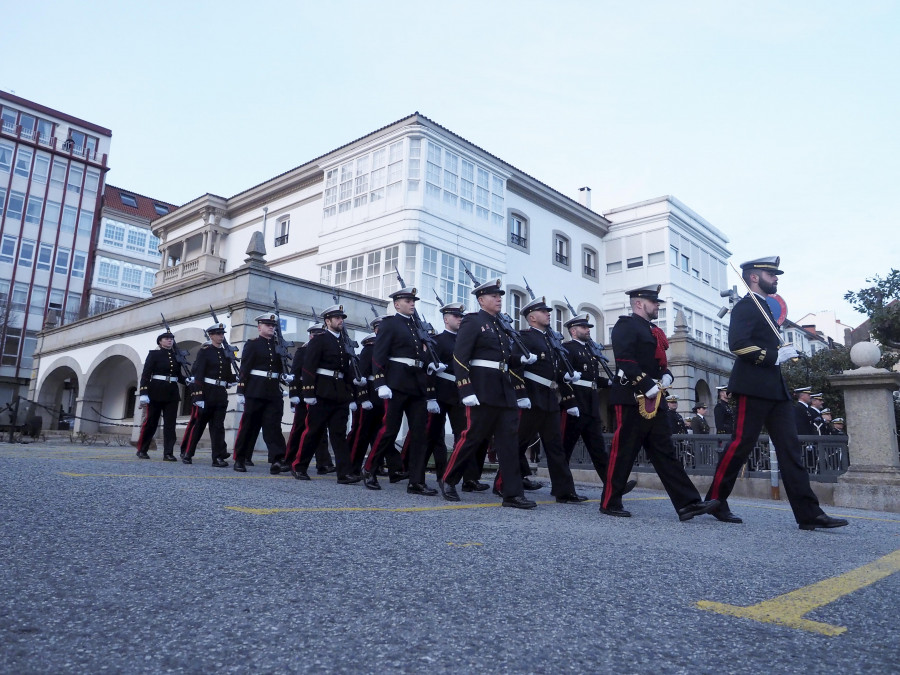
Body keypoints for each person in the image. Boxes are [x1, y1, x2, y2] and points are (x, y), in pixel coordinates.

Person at [704, 256, 847, 530]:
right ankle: (715, 499)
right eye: (771, 274)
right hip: (753, 386)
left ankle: (809, 513)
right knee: (741, 444)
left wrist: (779, 357)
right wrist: (774, 356)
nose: (776, 278)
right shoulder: (747, 307)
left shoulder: (765, 308)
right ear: (754, 277)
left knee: (790, 450)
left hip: (775, 390)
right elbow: (738, 345)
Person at [599, 285, 719, 521]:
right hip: (632, 397)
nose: (657, 306)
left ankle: (688, 503)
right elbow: (624, 360)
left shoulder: (653, 329)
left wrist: (667, 375)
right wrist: (646, 384)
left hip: (656, 397)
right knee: (623, 452)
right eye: (653, 303)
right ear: (639, 304)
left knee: (665, 452)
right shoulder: (626, 325)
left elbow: (659, 363)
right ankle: (609, 502)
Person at [442, 278, 537, 509]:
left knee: (509, 443)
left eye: (500, 296)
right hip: (482, 389)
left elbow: (502, 360)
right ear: (481, 299)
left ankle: (512, 494)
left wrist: (519, 360)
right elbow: (460, 356)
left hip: (504, 390)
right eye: (493, 296)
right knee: (471, 438)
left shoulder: (501, 325)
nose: (498, 299)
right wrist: (465, 388)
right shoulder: (473, 322)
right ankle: (448, 479)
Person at [501, 296, 583, 503]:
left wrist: (565, 377)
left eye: (548, 311)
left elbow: (552, 369)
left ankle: (564, 491)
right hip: (531, 396)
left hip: (548, 397)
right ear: (532, 317)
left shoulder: (550, 339)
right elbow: (514, 366)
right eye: (543, 311)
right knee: (518, 443)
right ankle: (502, 485)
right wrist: (520, 395)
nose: (548, 313)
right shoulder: (525, 337)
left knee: (555, 446)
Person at [364, 287, 444, 496]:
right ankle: (370, 469)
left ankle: (416, 481)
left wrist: (430, 365)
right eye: (408, 300)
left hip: (417, 385)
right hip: (396, 383)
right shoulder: (390, 324)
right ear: (397, 304)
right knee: (389, 430)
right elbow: (379, 355)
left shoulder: (417, 326)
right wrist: (380, 382)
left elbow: (419, 355)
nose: (412, 303)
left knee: (420, 435)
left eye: (413, 301)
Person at [290, 305, 366, 484]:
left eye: (342, 318)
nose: (341, 321)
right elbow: (308, 367)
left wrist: (354, 383)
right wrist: (308, 392)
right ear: (328, 321)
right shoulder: (320, 340)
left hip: (340, 393)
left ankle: (344, 473)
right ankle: (299, 466)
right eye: (337, 318)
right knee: (313, 431)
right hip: (321, 392)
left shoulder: (344, 342)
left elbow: (346, 369)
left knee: (339, 433)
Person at [562, 313, 637, 492]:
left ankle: (613, 485)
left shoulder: (590, 350)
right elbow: (563, 378)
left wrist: (611, 382)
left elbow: (593, 379)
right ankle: (563, 488)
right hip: (576, 403)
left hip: (591, 404)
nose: (588, 330)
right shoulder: (567, 348)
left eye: (588, 327)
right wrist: (569, 403)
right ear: (573, 330)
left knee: (598, 449)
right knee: (565, 449)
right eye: (584, 327)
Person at [429, 301, 490, 494]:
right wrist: (429, 396)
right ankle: (438, 475)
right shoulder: (437, 340)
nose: (460, 319)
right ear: (446, 319)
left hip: (461, 392)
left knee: (464, 436)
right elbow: (429, 370)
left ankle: (469, 479)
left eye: (461, 316)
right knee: (433, 437)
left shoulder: (469, 339)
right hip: (441, 392)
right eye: (456, 316)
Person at [232, 313, 290, 472]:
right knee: (249, 426)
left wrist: (285, 377)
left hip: (273, 392)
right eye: (267, 325)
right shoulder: (253, 344)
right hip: (255, 390)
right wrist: (241, 390)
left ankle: (277, 459)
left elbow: (282, 367)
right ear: (259, 327)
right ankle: (240, 458)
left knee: (273, 427)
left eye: (273, 325)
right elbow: (245, 368)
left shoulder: (279, 345)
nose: (271, 327)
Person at [278, 323, 336, 475]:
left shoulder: (327, 348)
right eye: (315, 334)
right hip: (304, 395)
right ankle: (289, 460)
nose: (317, 337)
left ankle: (323, 463)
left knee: (321, 431)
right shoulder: (303, 350)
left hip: (319, 393)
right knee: (299, 428)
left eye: (320, 334)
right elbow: (295, 374)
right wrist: (293, 396)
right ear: (310, 335)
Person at [182, 323, 236, 467]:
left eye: (222, 334)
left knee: (218, 427)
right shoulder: (205, 351)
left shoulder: (225, 353)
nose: (221, 336)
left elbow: (227, 374)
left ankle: (217, 458)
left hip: (220, 394)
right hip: (206, 392)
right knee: (199, 425)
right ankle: (188, 453)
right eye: (218, 334)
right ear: (211, 336)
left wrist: (234, 379)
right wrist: (198, 396)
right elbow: (198, 373)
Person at [135, 331, 188, 461]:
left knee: (170, 425)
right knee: (151, 423)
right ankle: (142, 449)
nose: (170, 340)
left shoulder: (176, 356)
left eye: (171, 339)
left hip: (172, 393)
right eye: (166, 338)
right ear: (160, 342)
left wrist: (188, 380)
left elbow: (178, 376)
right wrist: (143, 393)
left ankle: (168, 453)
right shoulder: (154, 354)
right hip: (156, 391)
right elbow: (146, 374)